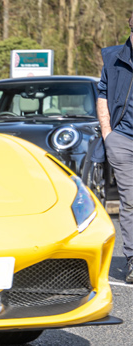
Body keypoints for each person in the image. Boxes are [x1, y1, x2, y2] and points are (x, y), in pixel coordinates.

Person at [98, 11, 133, 282]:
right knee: (130, 202)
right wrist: (108, 133)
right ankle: (132, 260)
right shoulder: (113, 58)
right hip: (122, 139)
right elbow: (102, 93)